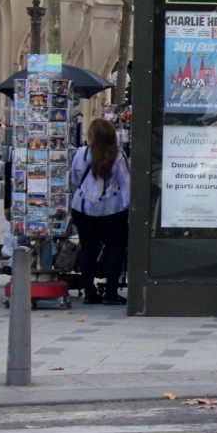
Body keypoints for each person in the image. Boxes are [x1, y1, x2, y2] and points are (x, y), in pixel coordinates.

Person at [70, 118, 130, 304]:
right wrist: (128, 207)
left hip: (83, 209)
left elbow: (74, 179)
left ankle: (90, 291)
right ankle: (111, 292)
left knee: (88, 249)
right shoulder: (118, 156)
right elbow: (126, 183)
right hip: (112, 210)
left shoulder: (81, 154)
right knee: (115, 250)